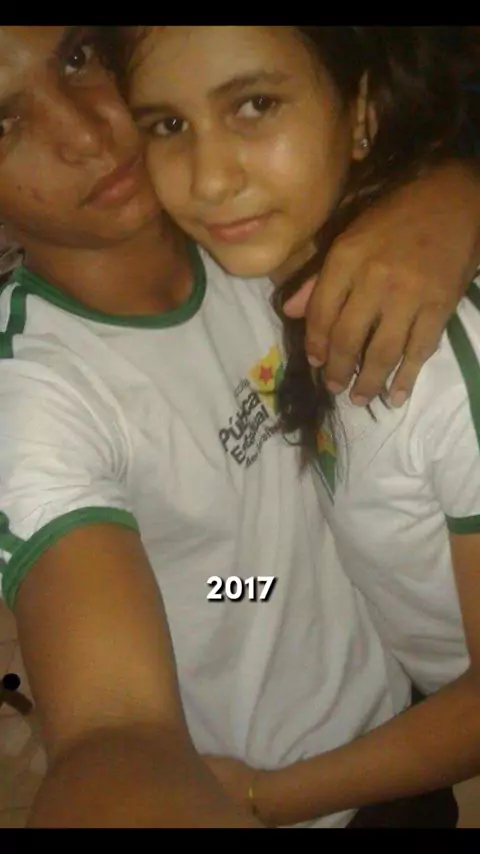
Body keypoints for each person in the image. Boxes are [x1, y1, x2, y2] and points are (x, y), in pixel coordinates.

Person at [0, 25, 478, 829]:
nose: (86, 135)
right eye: (1, 121)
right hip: (276, 796)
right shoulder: (36, 395)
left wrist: (454, 191)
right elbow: (112, 727)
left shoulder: (260, 237)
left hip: (402, 717)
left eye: (78, 58)